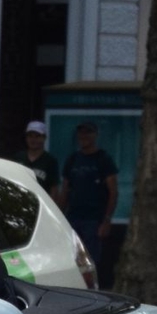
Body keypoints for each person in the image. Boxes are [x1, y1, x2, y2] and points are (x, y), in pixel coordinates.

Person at [64, 121, 124, 287]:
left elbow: (113, 191)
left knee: (92, 262)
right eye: (81, 133)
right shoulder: (73, 159)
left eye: (88, 133)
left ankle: (93, 292)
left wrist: (106, 220)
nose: (84, 137)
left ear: (95, 135)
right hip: (73, 218)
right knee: (72, 260)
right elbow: (65, 190)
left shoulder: (103, 159)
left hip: (94, 220)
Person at [21, 119, 62, 202]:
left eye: (37, 136)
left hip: (41, 204)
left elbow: (53, 189)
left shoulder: (50, 161)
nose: (33, 140)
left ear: (44, 138)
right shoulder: (18, 158)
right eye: (30, 136)